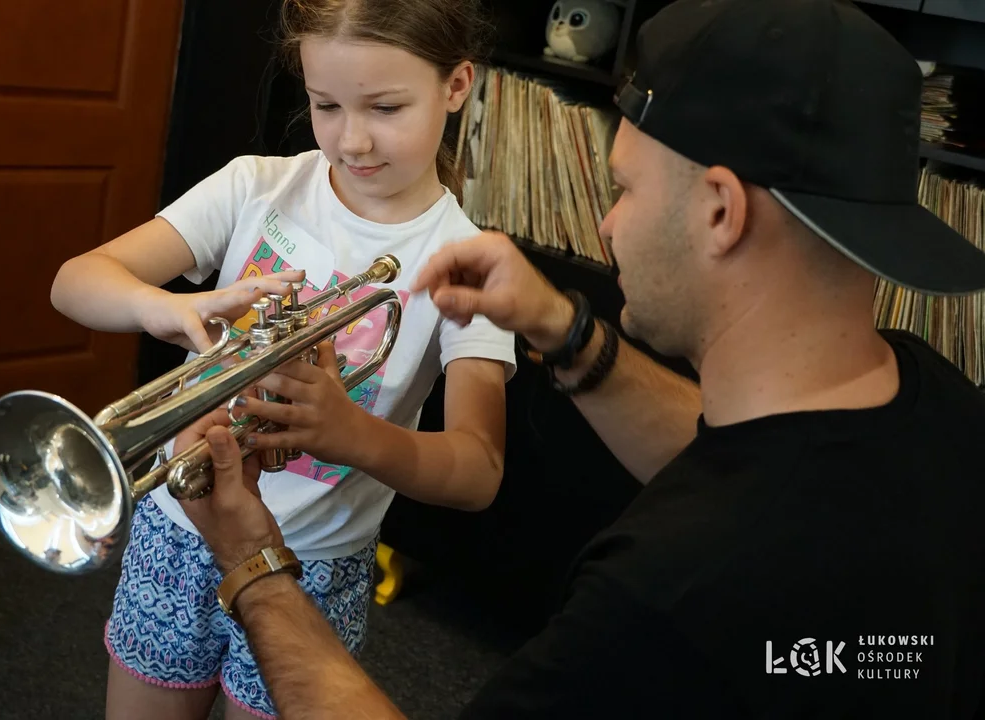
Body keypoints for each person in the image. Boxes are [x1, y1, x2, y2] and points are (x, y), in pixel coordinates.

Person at [172, 0, 985, 718]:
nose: (605, 228)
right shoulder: (938, 404)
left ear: (720, 212)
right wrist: (565, 329)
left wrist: (254, 563)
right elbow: (751, 463)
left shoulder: (663, 599)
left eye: (624, 190)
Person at [48, 0, 516, 717]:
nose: (351, 140)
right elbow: (74, 281)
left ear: (456, 86)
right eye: (325, 104)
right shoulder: (256, 187)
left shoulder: (471, 264)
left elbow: (478, 471)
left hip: (314, 567)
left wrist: (350, 433)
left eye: (385, 107)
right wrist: (166, 307)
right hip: (178, 529)